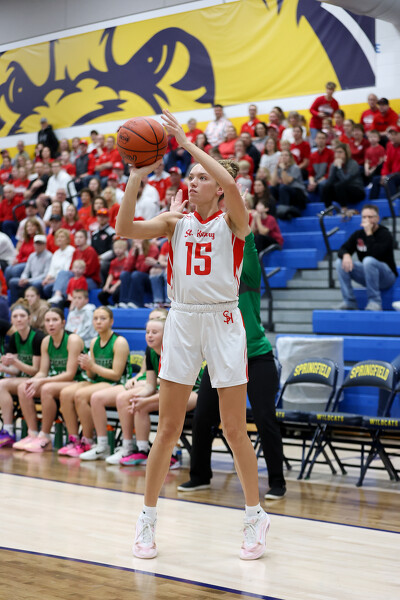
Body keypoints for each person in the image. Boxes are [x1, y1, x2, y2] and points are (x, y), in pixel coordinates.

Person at [116, 108, 270, 561]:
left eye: (202, 178)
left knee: (234, 429)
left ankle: (255, 516)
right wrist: (135, 175)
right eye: (191, 176)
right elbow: (124, 228)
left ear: (217, 186)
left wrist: (185, 144)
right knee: (166, 429)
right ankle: (146, 520)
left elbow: (231, 188)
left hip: (223, 321)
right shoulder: (174, 221)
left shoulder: (234, 221)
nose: (193, 182)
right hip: (182, 319)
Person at [178, 230, 286, 499]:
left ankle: (277, 482)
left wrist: (239, 222)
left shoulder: (247, 274)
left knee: (265, 418)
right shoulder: (211, 282)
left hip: (256, 356)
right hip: (220, 358)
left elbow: (248, 243)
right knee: (202, 417)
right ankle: (200, 476)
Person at [114, 317, 198, 468]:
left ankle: (172, 454)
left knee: (169, 405)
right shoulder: (150, 351)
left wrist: (144, 401)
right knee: (139, 405)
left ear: (167, 334)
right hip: (169, 393)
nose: (149, 336)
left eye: (154, 332)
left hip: (193, 392)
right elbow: (150, 386)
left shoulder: (176, 352)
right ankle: (143, 450)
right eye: (147, 332)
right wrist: (136, 398)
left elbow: (174, 393)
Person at [57, 307, 130, 458]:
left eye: (103, 318)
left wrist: (93, 366)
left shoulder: (119, 342)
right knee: (65, 393)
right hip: (98, 381)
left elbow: (116, 375)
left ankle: (88, 440)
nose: (98, 322)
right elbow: (92, 374)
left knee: (80, 395)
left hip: (116, 384)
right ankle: (74, 439)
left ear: (111, 321)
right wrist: (86, 367)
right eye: (95, 319)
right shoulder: (94, 342)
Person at [12, 307, 84, 452]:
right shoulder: (46, 341)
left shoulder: (73, 340)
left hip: (77, 381)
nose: (51, 324)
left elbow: (70, 374)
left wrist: (42, 381)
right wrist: (34, 380)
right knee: (23, 387)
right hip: (57, 381)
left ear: (63, 323)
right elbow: (43, 372)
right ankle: (32, 434)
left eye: (55, 320)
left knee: (46, 389)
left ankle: (44, 436)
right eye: (47, 320)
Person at [335, 204, 397, 311]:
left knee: (368, 261)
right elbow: (343, 248)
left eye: (370, 217)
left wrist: (369, 234)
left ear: (377, 218)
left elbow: (376, 254)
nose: (367, 220)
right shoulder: (358, 234)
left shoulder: (385, 234)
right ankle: (349, 301)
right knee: (339, 262)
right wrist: (346, 255)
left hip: (386, 277)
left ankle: (375, 302)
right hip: (368, 275)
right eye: (364, 217)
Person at [0, 304, 45, 448]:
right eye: (15, 316)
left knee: (20, 386)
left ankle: (33, 433)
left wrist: (15, 362)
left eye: (22, 316)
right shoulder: (14, 337)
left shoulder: (38, 337)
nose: (19, 319)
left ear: (29, 318)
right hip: (24, 378)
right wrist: (4, 367)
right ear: (11, 320)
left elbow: (36, 371)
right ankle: (8, 430)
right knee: (1, 385)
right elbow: (16, 370)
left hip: (40, 378)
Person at [8, 234, 52, 304]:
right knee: (13, 282)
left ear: (45, 245)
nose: (38, 246)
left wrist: (29, 280)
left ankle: (36, 305)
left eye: (40, 244)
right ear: (34, 245)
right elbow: (26, 271)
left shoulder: (49, 256)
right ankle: (15, 305)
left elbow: (45, 275)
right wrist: (23, 279)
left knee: (36, 284)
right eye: (36, 244)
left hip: (40, 281)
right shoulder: (32, 256)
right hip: (30, 280)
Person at [321, 142, 365, 211]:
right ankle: (328, 210)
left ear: (346, 153)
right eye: (336, 152)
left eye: (340, 152)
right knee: (326, 186)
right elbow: (330, 181)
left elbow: (345, 180)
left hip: (356, 191)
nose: (338, 154)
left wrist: (339, 167)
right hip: (341, 191)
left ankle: (344, 209)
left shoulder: (353, 163)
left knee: (339, 185)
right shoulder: (333, 164)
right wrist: (334, 168)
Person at [270, 150, 307, 218]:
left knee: (283, 188)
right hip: (286, 192)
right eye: (282, 155)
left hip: (298, 193)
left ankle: (284, 212)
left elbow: (286, 182)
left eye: (286, 155)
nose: (284, 157)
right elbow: (273, 183)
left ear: (290, 158)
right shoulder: (280, 168)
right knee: (272, 189)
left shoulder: (295, 167)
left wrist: (283, 169)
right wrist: (276, 168)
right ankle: (271, 214)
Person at [41, 229, 75, 299]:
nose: (59, 239)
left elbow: (66, 270)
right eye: (58, 237)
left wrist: (54, 280)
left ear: (67, 239)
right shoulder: (56, 253)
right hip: (55, 278)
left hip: (66, 278)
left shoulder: (71, 250)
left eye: (62, 237)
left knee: (51, 286)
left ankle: (57, 297)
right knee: (43, 286)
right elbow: (52, 270)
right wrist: (47, 279)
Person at [98, 238, 128, 306]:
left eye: (120, 248)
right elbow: (110, 275)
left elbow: (123, 278)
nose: (118, 250)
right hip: (113, 282)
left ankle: (118, 306)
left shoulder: (127, 261)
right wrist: (106, 285)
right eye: (116, 248)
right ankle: (109, 307)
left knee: (116, 294)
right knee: (101, 296)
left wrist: (114, 286)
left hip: (121, 283)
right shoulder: (113, 261)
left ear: (125, 249)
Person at [307, 131, 334, 197]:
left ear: (326, 140)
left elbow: (329, 174)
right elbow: (310, 173)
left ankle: (324, 203)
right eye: (319, 138)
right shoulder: (312, 155)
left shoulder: (331, 153)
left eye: (323, 138)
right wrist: (312, 183)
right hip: (316, 180)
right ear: (315, 139)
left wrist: (316, 183)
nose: (321, 140)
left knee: (322, 185)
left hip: (326, 180)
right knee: (303, 185)